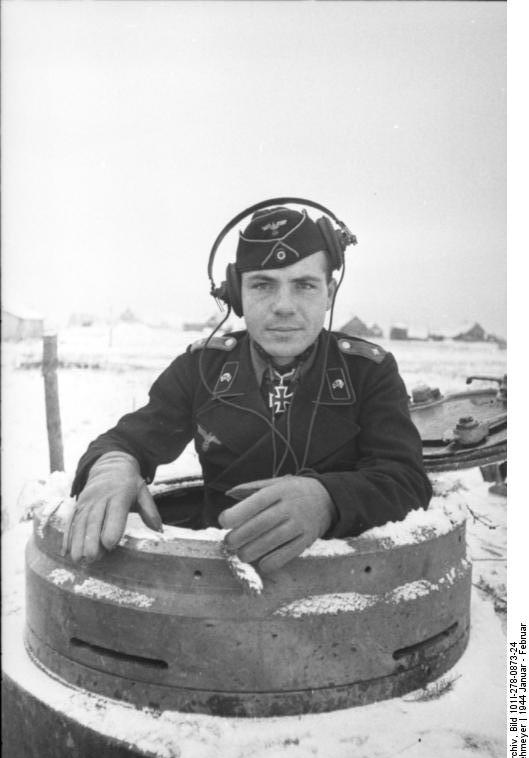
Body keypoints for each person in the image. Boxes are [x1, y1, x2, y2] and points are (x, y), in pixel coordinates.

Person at [68, 202, 432, 573]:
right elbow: (128, 439)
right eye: (263, 285)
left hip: (338, 574)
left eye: (304, 285)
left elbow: (406, 480)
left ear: (330, 292)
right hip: (218, 570)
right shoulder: (202, 368)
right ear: (238, 294)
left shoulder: (368, 372)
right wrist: (113, 466)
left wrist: (329, 500)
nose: (283, 307)